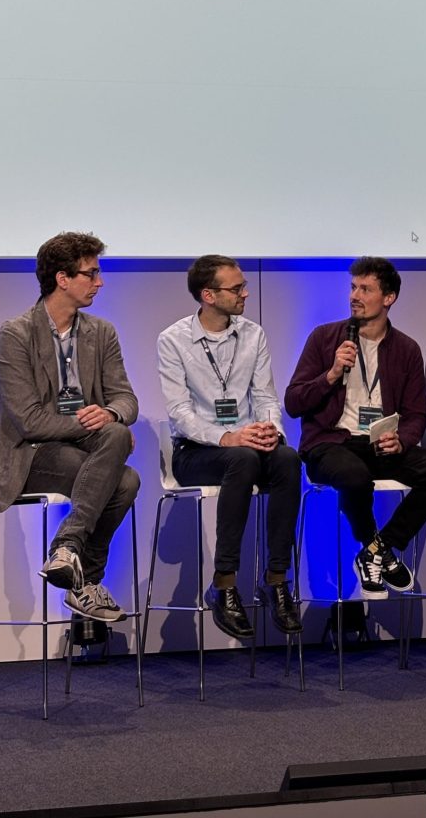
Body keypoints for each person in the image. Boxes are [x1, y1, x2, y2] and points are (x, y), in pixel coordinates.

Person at [0, 232, 139, 622]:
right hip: (28, 456)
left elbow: (126, 400)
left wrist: (112, 415)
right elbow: (27, 420)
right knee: (123, 473)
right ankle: (86, 581)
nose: (99, 283)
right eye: (91, 274)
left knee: (122, 458)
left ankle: (68, 552)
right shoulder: (15, 334)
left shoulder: (102, 333)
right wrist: (94, 426)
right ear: (62, 279)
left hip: (84, 455)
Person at [284, 257, 426, 599]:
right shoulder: (324, 338)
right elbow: (293, 402)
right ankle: (377, 548)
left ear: (388, 297)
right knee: (354, 476)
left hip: (380, 444)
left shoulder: (406, 349)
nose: (355, 296)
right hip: (330, 444)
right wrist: (332, 374)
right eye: (353, 288)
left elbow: (414, 415)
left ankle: (378, 550)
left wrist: (403, 440)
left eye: (366, 289)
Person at [158, 255, 302, 639]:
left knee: (288, 459)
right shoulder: (173, 340)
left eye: (243, 286)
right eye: (236, 288)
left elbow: (266, 396)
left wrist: (272, 431)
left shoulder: (254, 334)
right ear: (208, 295)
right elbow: (179, 412)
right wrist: (227, 436)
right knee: (240, 458)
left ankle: (276, 579)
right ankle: (224, 583)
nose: (245, 293)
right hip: (195, 452)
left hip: (248, 447)